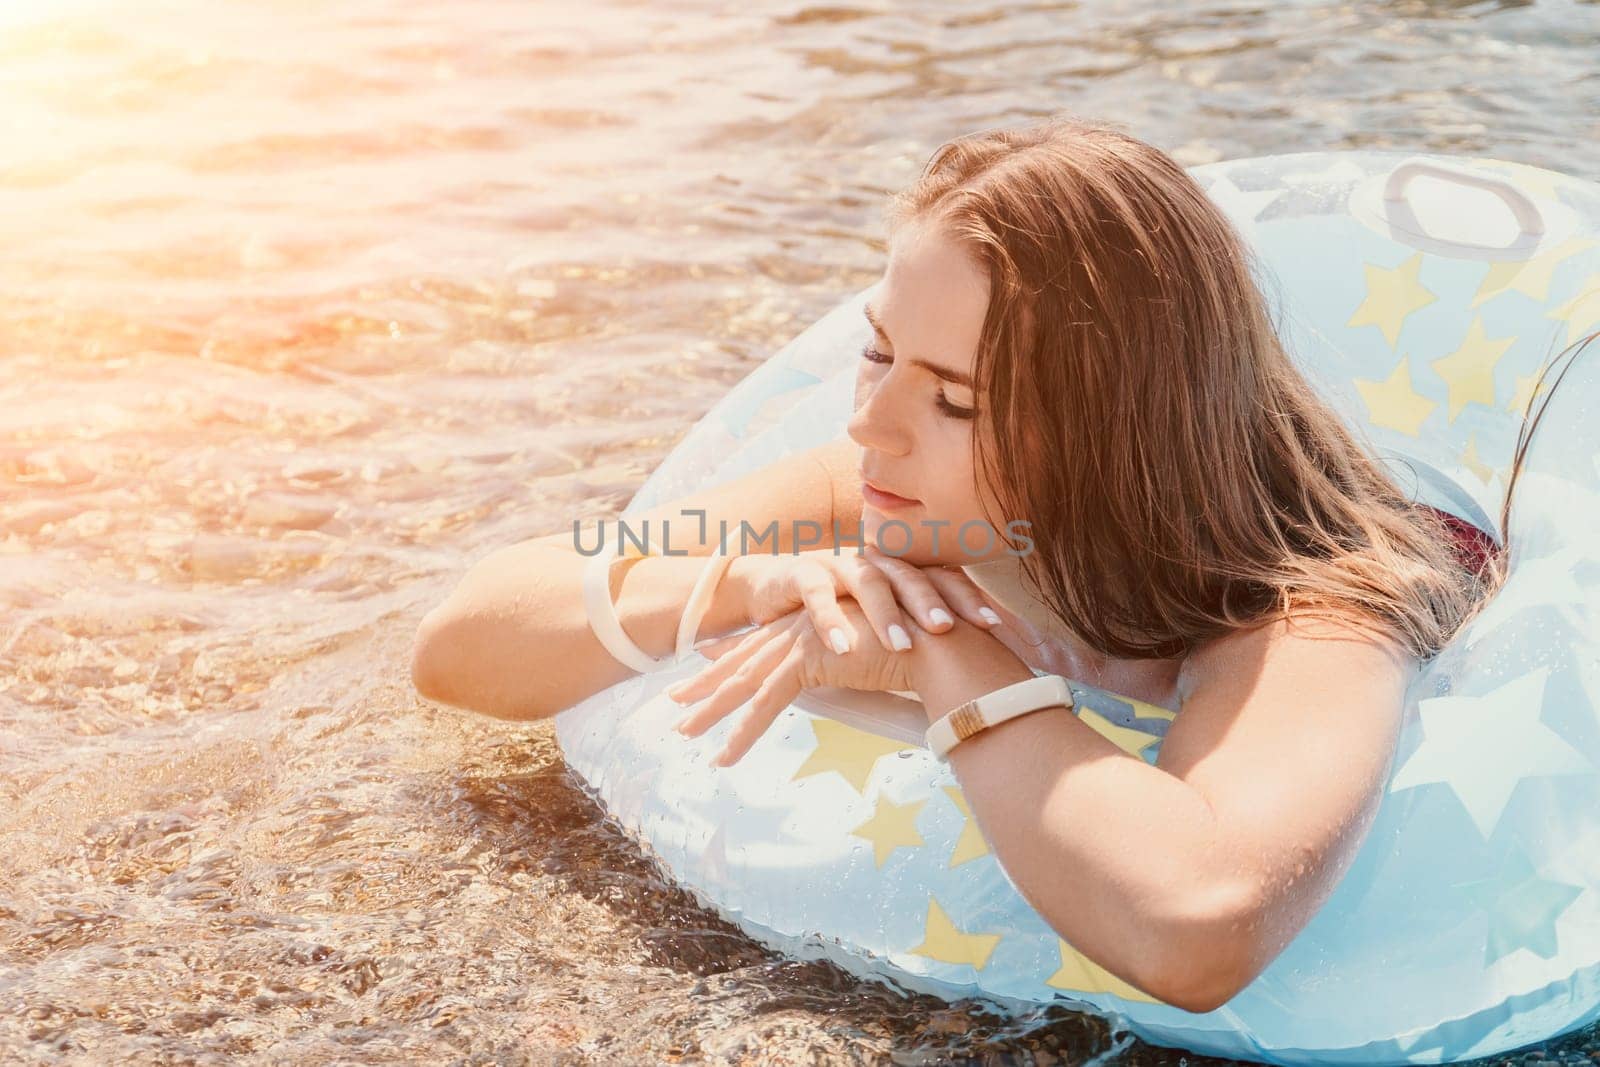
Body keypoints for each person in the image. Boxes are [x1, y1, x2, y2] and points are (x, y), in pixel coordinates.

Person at [411, 116, 1584, 1013]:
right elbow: (464, 639)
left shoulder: (1310, 609)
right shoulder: (868, 478)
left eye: (956, 398)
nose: (872, 422)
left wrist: (937, 649)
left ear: (1111, 426)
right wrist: (755, 580)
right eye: (878, 352)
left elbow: (1197, 923)